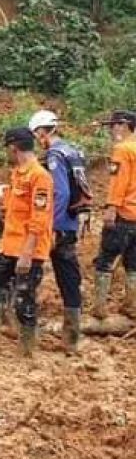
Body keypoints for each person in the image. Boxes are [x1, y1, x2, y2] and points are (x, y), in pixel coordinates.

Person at [0, 128, 54, 357]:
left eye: (7, 148)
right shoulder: (17, 174)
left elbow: (39, 218)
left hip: (29, 250)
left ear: (13, 147)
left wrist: (27, 253)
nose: (6, 153)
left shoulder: (39, 176)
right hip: (6, 246)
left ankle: (27, 351)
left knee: (24, 301)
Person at [29, 110, 89, 352]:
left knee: (30, 273)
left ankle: (28, 331)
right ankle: (72, 339)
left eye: (37, 135)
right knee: (69, 278)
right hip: (72, 223)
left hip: (58, 225)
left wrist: (50, 227)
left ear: (43, 131)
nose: (37, 140)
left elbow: (61, 192)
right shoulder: (74, 150)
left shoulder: (55, 155)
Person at [92, 110, 136, 319]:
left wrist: (111, 208)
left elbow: (119, 182)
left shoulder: (122, 149)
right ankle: (131, 304)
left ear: (124, 125)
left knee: (105, 260)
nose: (111, 130)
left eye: (113, 125)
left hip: (124, 214)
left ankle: (99, 307)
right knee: (133, 262)